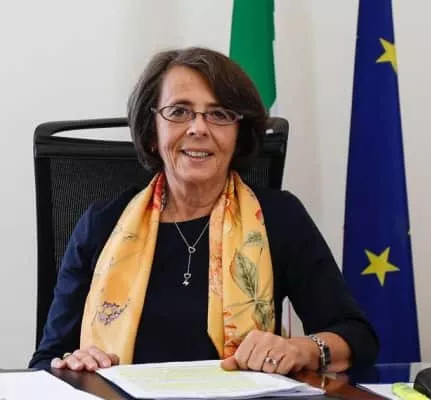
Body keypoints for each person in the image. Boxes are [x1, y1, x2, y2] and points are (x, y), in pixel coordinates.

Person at [29, 47, 378, 375]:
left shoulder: (278, 217)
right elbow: (46, 360)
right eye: (179, 112)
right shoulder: (102, 223)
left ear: (239, 135)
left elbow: (356, 335)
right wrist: (71, 364)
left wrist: (302, 349)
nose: (198, 128)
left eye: (219, 114)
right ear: (152, 133)